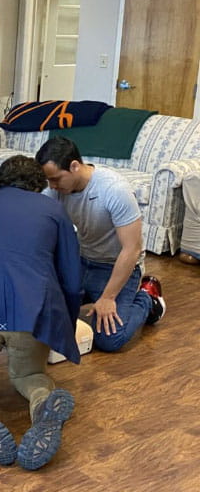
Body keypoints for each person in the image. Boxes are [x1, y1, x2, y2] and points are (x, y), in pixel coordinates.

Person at [0, 155, 82, 470]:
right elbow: (72, 280)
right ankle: (43, 404)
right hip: (34, 312)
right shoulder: (54, 211)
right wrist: (65, 324)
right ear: (37, 185)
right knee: (30, 375)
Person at [35, 136, 165, 353]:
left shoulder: (114, 190)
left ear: (74, 166)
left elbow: (132, 249)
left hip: (115, 266)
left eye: (56, 179)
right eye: (48, 180)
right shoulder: (54, 190)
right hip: (81, 261)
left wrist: (108, 297)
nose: (51, 186)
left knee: (110, 340)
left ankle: (147, 297)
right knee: (43, 315)